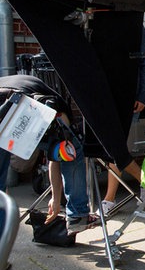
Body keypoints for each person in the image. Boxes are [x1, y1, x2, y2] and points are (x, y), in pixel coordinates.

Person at [0, 75, 99, 235]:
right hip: (20, 104)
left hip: (7, 103)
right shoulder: (59, 107)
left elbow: (55, 156)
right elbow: (61, 154)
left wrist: (55, 197)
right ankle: (77, 215)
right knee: (73, 149)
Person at [101, 28, 145, 215]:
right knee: (113, 148)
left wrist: (142, 95)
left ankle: (109, 199)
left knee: (117, 148)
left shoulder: (136, 28)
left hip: (129, 98)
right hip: (103, 96)